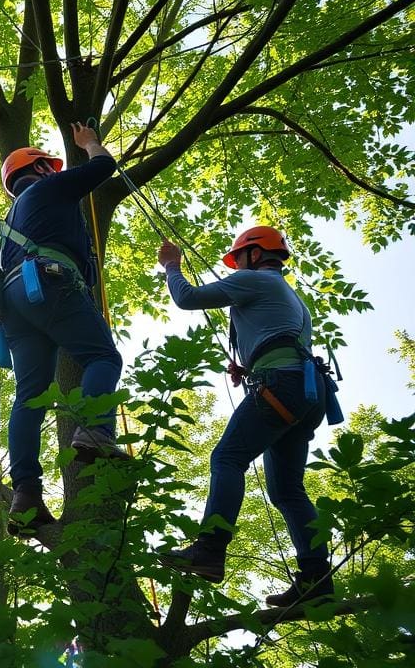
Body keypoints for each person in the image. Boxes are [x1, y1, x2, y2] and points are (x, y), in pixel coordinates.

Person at [157, 226, 334, 607]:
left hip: (282, 384)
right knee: (287, 490)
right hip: (305, 392)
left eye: (238, 258)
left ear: (254, 255)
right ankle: (317, 579)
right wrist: (250, 367)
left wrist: (172, 266)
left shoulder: (254, 280)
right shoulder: (290, 296)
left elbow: (186, 298)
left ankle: (209, 550)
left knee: (227, 458)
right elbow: (277, 337)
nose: (235, 265)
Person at [0, 122, 125, 536]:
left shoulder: (14, 220)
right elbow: (101, 169)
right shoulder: (47, 190)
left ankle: (26, 494)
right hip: (48, 282)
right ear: (43, 170)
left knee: (30, 397)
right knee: (103, 357)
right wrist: (90, 144)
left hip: (13, 302)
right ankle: (94, 431)